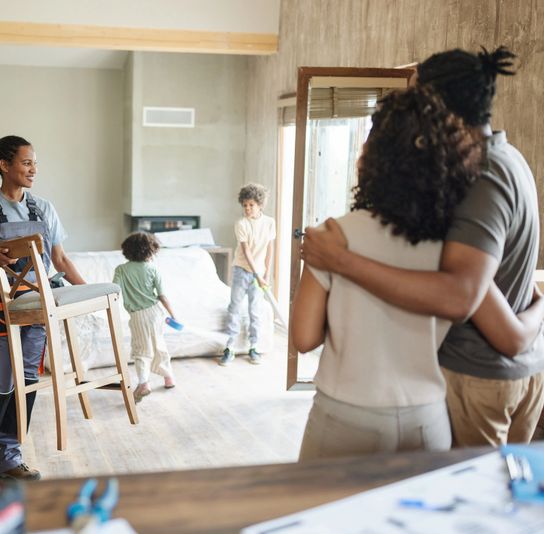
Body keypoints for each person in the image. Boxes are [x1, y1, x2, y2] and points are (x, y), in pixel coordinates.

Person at [300, 46, 544, 447]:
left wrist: (342, 261)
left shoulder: (476, 177)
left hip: (477, 377)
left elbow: (464, 296)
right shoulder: (510, 158)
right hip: (516, 372)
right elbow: (505, 310)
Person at [0, 135, 86, 483]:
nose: (33, 169)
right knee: (0, 387)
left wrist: (84, 292)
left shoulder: (44, 207)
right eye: (26, 163)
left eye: (34, 163)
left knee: (26, 384)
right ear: (5, 166)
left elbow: (59, 259)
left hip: (37, 310)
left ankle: (9, 457)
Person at [112, 232, 177, 403]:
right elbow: (162, 296)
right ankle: (169, 378)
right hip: (156, 313)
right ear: (150, 251)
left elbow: (114, 291)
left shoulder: (121, 270)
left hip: (138, 315)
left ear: (127, 250)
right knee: (159, 345)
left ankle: (143, 383)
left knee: (142, 350)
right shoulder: (153, 269)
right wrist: (173, 315)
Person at [220, 183, 276, 366]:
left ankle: (254, 347)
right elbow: (246, 252)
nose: (247, 208)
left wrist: (266, 273)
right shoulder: (241, 223)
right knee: (234, 308)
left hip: (259, 273)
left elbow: (270, 248)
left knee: (255, 310)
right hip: (241, 270)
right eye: (244, 205)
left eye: (251, 204)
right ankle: (230, 348)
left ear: (260, 204)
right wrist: (258, 275)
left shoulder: (269, 222)